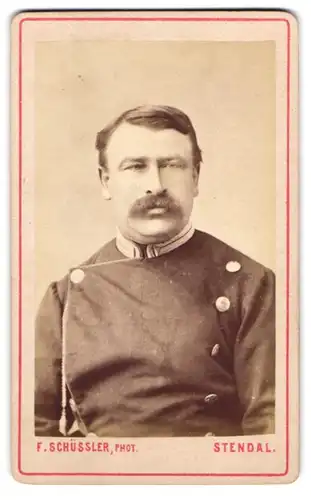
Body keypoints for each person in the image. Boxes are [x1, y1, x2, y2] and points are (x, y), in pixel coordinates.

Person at [35, 104, 275, 438]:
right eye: (135, 166)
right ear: (106, 183)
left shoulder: (250, 284)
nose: (156, 185)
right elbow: (34, 432)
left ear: (195, 179)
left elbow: (271, 425)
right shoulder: (65, 296)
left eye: (172, 165)